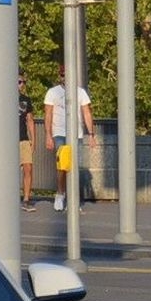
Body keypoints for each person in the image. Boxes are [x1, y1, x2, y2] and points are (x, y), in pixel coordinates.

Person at [44, 76, 95, 211]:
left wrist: (91, 134)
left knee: (73, 165)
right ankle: (60, 194)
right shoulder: (52, 92)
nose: (64, 77)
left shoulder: (80, 92)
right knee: (63, 164)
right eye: (62, 75)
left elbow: (86, 112)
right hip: (59, 132)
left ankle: (73, 199)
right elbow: (48, 114)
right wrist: (48, 135)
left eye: (67, 74)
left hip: (76, 133)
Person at [17, 76, 37, 205]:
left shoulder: (25, 100)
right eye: (19, 82)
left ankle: (26, 198)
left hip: (23, 138)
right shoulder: (2, 98)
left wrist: (33, 140)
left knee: (28, 168)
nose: (22, 84)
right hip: (7, 141)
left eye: (24, 82)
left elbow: (30, 120)